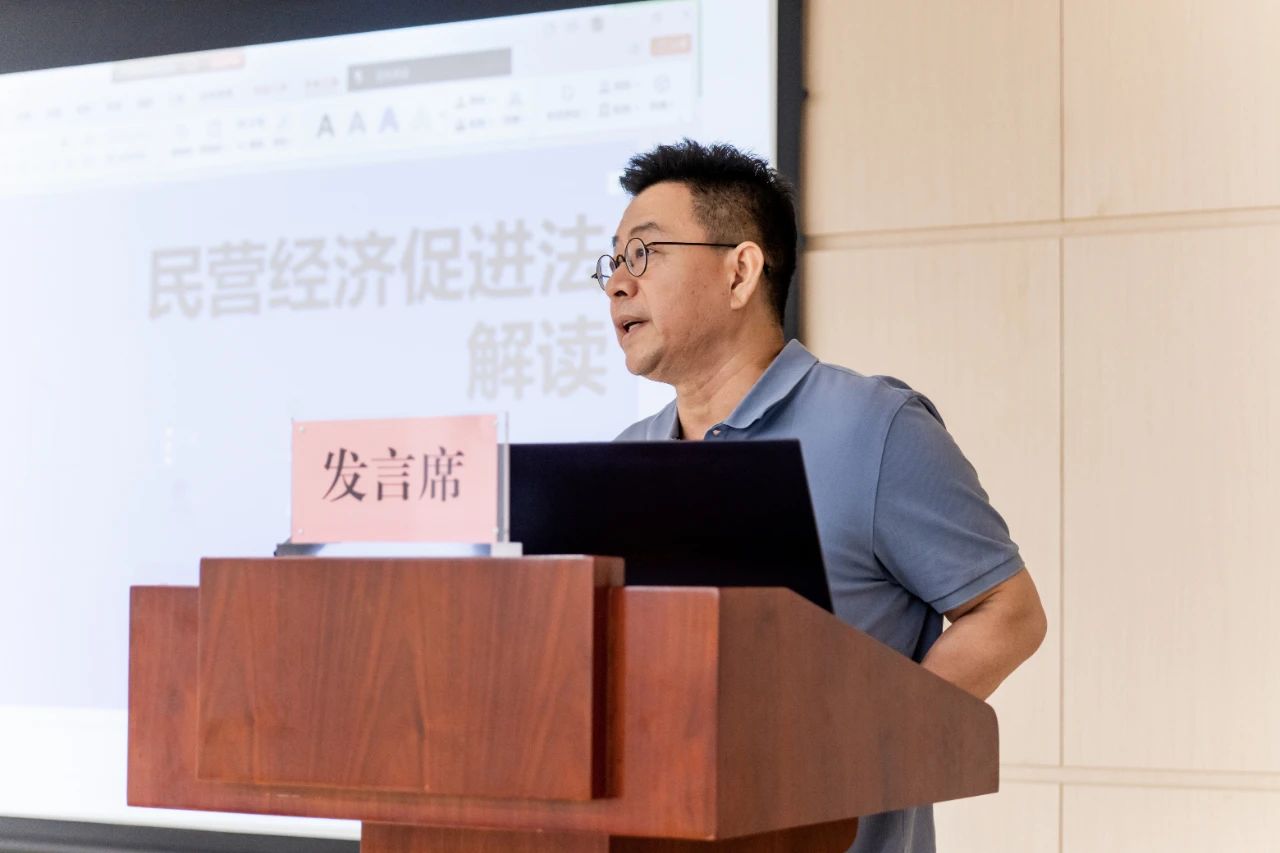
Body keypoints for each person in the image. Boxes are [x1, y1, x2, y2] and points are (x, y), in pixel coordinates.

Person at [603, 140, 1047, 853]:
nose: (617, 284)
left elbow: (1009, 612)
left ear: (740, 271)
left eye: (643, 253)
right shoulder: (626, 457)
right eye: (612, 261)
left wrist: (865, 745)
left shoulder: (874, 426)